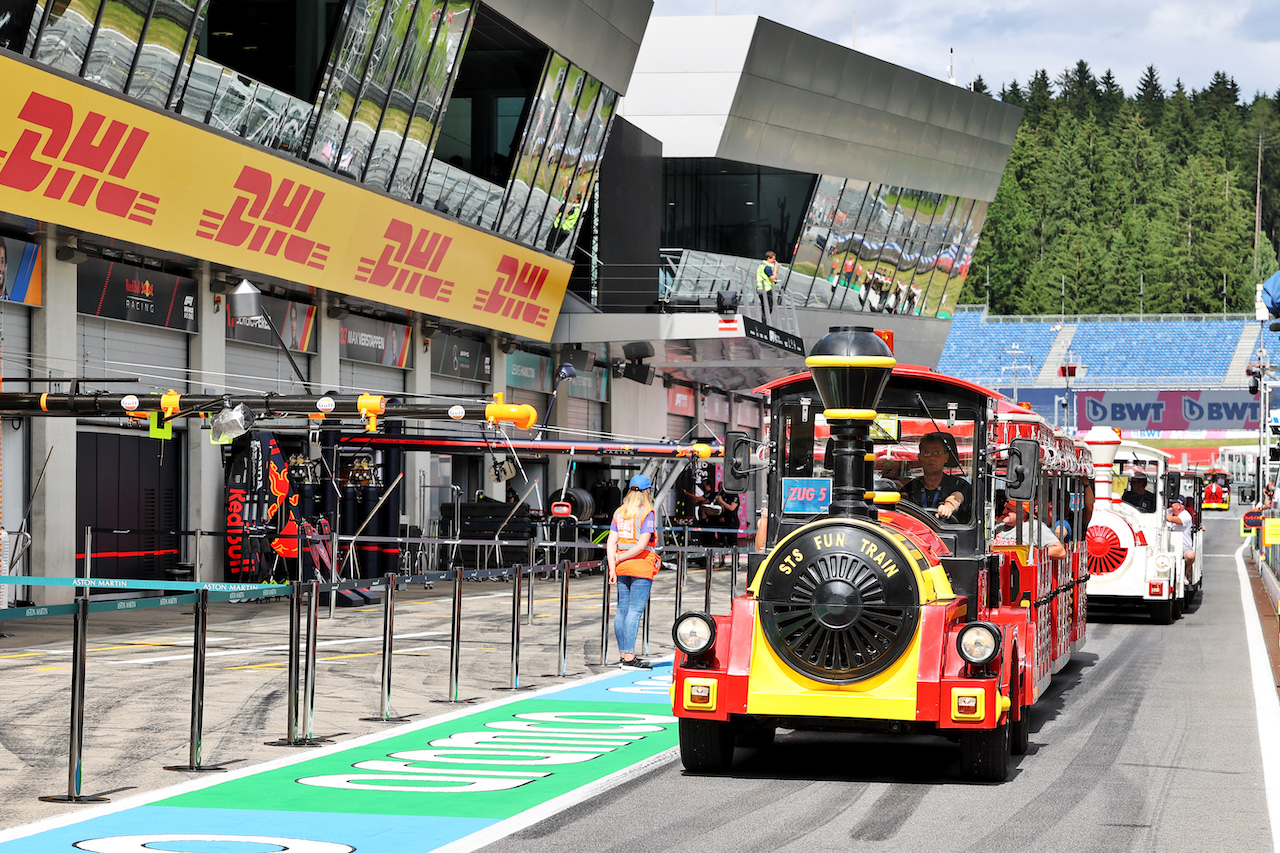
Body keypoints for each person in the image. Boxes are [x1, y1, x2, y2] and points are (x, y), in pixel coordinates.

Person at [607, 474, 660, 669]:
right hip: (641, 564)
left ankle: (623, 653)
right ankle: (629, 656)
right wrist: (620, 558)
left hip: (621, 566)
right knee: (635, 611)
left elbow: (611, 542)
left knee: (622, 611)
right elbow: (642, 545)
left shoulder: (619, 512)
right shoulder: (647, 512)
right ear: (647, 491)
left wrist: (613, 566)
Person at [903, 431, 971, 522]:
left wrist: (948, 506)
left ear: (946, 457)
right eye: (927, 453)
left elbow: (957, 497)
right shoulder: (910, 487)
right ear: (920, 458)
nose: (932, 458)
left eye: (937, 453)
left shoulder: (959, 484)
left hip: (949, 534)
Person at [994, 500, 1066, 560]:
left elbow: (1060, 551)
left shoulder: (1034, 527)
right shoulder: (998, 527)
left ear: (1022, 512)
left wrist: (1030, 553)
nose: (1003, 512)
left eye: (1008, 509)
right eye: (1005, 508)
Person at [1166, 496, 1196, 586]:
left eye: (1173, 504)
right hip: (1167, 544)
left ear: (1179, 506)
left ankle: (1184, 573)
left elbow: (1170, 519)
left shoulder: (1186, 516)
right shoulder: (1169, 511)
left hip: (1183, 546)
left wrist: (1159, 512)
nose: (1171, 505)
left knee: (1190, 555)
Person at [756, 250, 777, 320]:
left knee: (764, 308)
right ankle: (764, 323)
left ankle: (763, 322)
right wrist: (776, 268)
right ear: (768, 258)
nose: (774, 261)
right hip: (766, 289)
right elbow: (772, 278)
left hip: (760, 289)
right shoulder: (767, 267)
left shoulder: (761, 265)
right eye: (773, 259)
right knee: (769, 308)